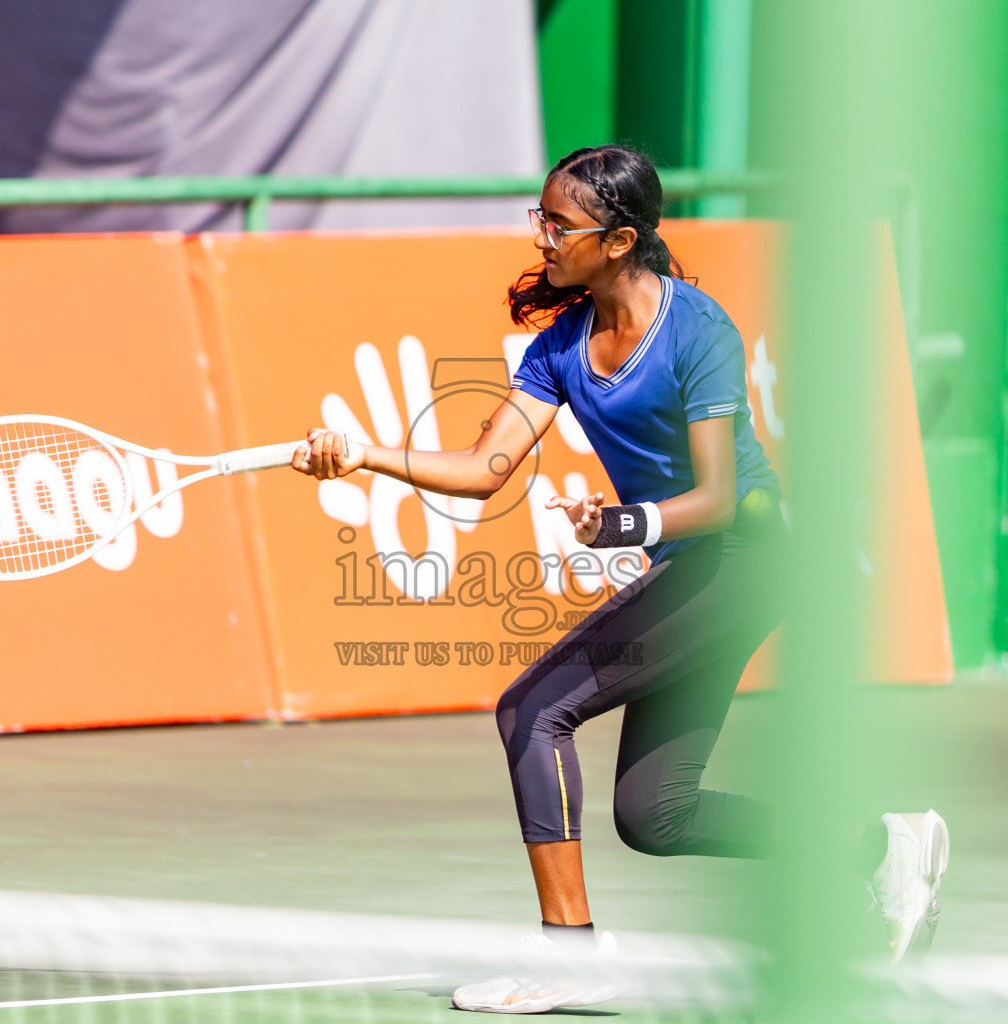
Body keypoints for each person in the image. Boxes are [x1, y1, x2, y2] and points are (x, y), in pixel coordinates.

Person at [292, 144, 948, 1013]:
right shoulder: (560, 346)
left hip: (745, 565)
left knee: (532, 710)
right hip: (692, 570)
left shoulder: (697, 328)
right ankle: (877, 847)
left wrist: (624, 524)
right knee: (655, 814)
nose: (542, 238)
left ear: (619, 239)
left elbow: (717, 497)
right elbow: (487, 466)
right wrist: (366, 454)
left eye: (559, 225)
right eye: (541, 219)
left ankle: (569, 955)